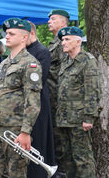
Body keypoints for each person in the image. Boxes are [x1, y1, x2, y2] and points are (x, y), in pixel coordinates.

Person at [0, 18, 42, 178]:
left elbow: (33, 100)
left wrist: (25, 132)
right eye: (6, 33)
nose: (7, 36)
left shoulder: (30, 64)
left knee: (16, 173)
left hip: (15, 130)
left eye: (11, 33)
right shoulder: (3, 65)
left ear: (24, 37)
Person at [55, 26, 101, 178]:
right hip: (64, 119)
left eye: (67, 39)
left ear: (78, 41)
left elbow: (92, 90)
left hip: (79, 120)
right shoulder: (66, 61)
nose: (63, 43)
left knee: (83, 160)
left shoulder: (87, 61)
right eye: (62, 40)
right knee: (67, 160)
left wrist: (89, 117)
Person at [26, 22, 56, 177]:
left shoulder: (42, 51)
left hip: (38, 105)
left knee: (38, 142)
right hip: (25, 105)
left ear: (31, 33)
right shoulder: (24, 51)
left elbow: (39, 79)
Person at [47, 9, 69, 177]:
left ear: (63, 23)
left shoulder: (64, 42)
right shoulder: (54, 43)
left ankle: (63, 172)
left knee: (61, 140)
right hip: (52, 98)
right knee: (55, 138)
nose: (49, 21)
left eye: (53, 19)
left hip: (60, 99)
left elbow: (65, 72)